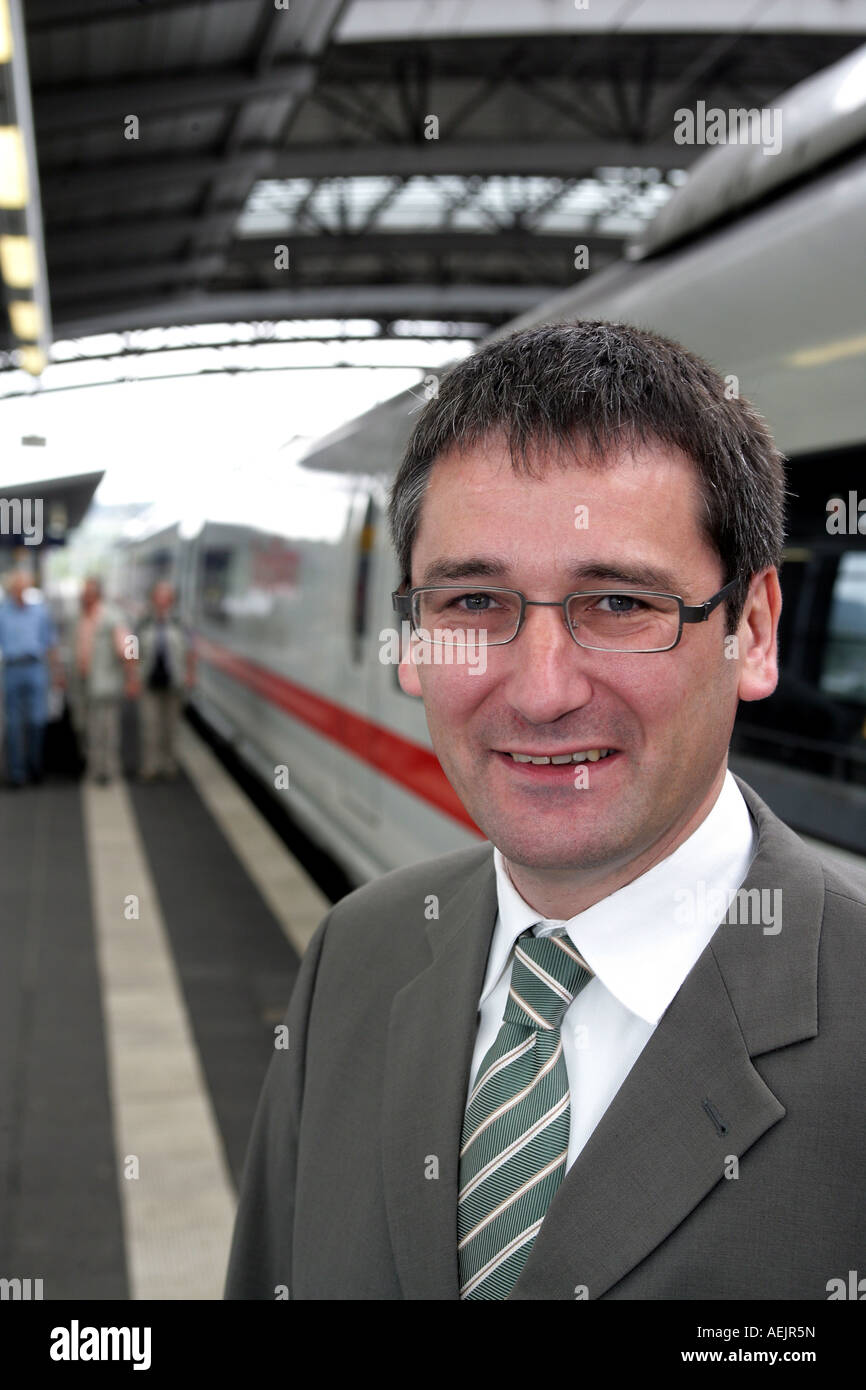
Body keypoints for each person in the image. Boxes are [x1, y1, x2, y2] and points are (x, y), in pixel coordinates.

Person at [224, 321, 866, 1301]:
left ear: (753, 631)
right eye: (472, 602)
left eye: (616, 603)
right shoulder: (356, 953)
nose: (539, 691)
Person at [0, 570, 63, 787]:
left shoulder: (39, 612)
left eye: (24, 587)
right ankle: (17, 773)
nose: (20, 591)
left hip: (36, 668)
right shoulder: (3, 612)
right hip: (12, 669)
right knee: (13, 724)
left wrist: (57, 672)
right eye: (17, 587)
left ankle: (35, 766)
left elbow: (50, 642)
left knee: (37, 720)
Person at [72, 575, 137, 785]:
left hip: (106, 683)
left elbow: (130, 646)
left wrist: (131, 676)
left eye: (88, 593)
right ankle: (94, 768)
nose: (85, 596)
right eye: (84, 593)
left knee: (107, 729)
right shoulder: (79, 617)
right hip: (84, 684)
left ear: (97, 594)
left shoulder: (113, 616)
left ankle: (109, 770)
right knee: (88, 728)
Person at [136, 580, 193, 781]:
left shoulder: (180, 623)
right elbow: (131, 647)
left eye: (165, 597)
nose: (161, 601)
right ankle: (150, 765)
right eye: (158, 597)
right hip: (149, 680)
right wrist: (131, 672)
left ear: (171, 600)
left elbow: (189, 651)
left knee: (171, 726)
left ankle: (169, 764)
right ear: (153, 599)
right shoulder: (143, 622)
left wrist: (190, 675)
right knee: (149, 725)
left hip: (173, 681)